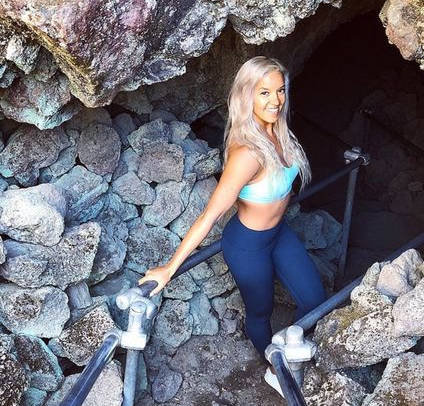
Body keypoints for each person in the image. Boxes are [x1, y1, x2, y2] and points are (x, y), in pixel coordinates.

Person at [139, 56, 327, 370]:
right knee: (259, 312)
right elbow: (210, 215)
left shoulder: (280, 133)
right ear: (247, 95)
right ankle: (275, 369)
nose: (276, 100)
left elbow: (283, 186)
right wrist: (169, 269)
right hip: (247, 245)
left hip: (279, 233)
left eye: (280, 91)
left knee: (314, 300)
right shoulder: (247, 154)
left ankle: (291, 352)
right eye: (264, 92)